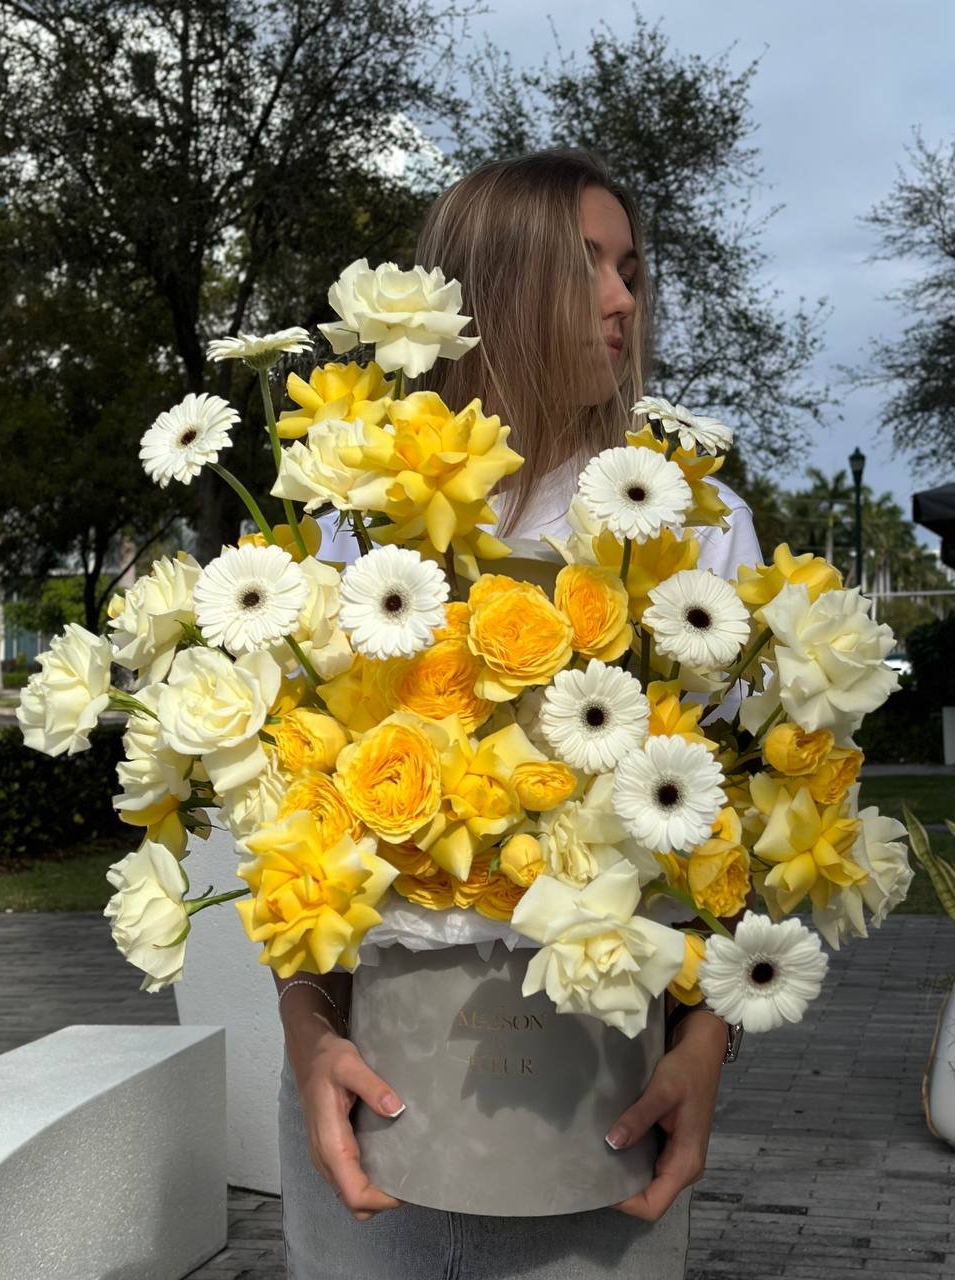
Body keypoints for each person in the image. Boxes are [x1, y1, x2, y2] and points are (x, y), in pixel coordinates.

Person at [274, 149, 761, 1280]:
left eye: (631, 267)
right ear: (487, 290)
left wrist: (708, 1044)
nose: (624, 299)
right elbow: (287, 822)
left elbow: (744, 819)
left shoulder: (690, 519)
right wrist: (307, 1033)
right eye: (586, 264)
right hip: (379, 1113)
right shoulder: (362, 510)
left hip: (599, 1122)